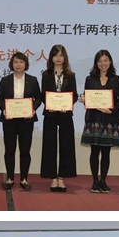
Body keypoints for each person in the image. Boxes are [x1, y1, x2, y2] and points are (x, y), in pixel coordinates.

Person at [80, 50, 119, 193]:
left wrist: (111, 110)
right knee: (94, 152)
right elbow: (87, 97)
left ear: (110, 62)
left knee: (106, 153)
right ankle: (95, 181)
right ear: (96, 63)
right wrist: (84, 99)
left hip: (110, 120)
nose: (103, 64)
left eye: (106, 60)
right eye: (100, 61)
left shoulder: (117, 79)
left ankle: (103, 181)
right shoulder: (90, 79)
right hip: (94, 119)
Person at [0, 52, 42, 191]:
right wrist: (4, 109)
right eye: (16, 62)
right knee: (9, 150)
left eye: (21, 62)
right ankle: (10, 178)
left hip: (26, 120)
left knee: (25, 151)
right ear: (12, 64)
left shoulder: (32, 80)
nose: (18, 65)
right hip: (9, 120)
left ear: (25, 64)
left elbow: (38, 98)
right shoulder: (5, 80)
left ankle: (24, 179)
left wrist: (32, 109)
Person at [40, 43, 78, 192]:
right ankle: (52, 178)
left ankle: (62, 177)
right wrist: (50, 104)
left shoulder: (71, 75)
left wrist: (67, 104)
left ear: (65, 58)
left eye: (61, 55)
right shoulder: (46, 75)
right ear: (51, 58)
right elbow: (44, 94)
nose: (58, 58)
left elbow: (74, 95)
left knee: (66, 145)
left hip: (65, 114)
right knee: (49, 145)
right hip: (50, 114)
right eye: (55, 55)